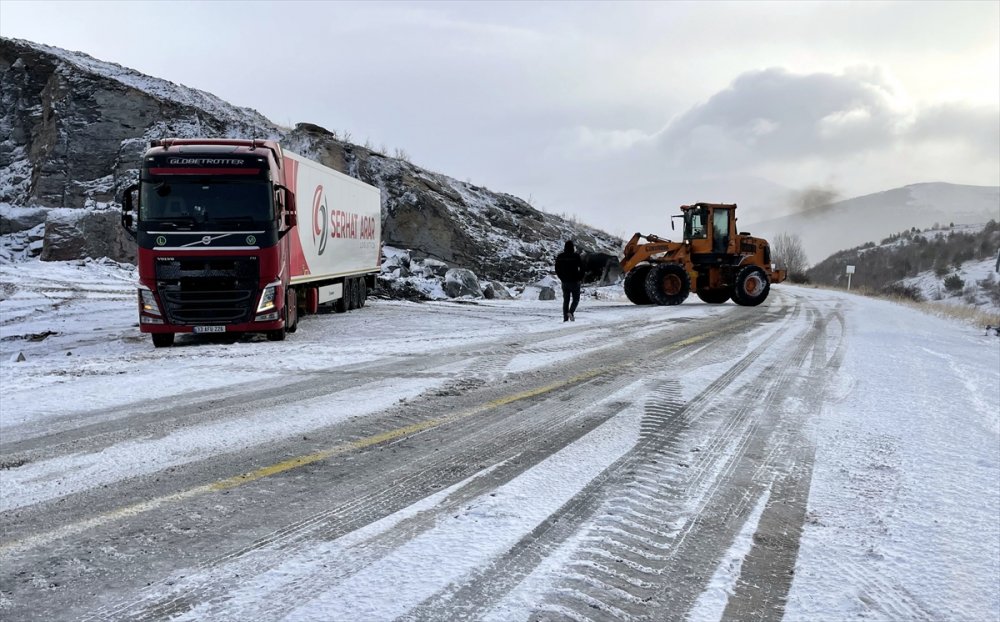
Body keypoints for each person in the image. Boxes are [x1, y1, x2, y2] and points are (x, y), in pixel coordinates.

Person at [555, 240, 584, 322]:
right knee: (576, 299)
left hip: (565, 282)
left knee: (566, 300)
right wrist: (580, 277)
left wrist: (561, 277)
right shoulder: (576, 256)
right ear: (572, 247)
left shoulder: (560, 256)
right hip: (575, 281)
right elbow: (582, 268)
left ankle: (565, 318)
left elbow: (557, 269)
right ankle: (571, 312)